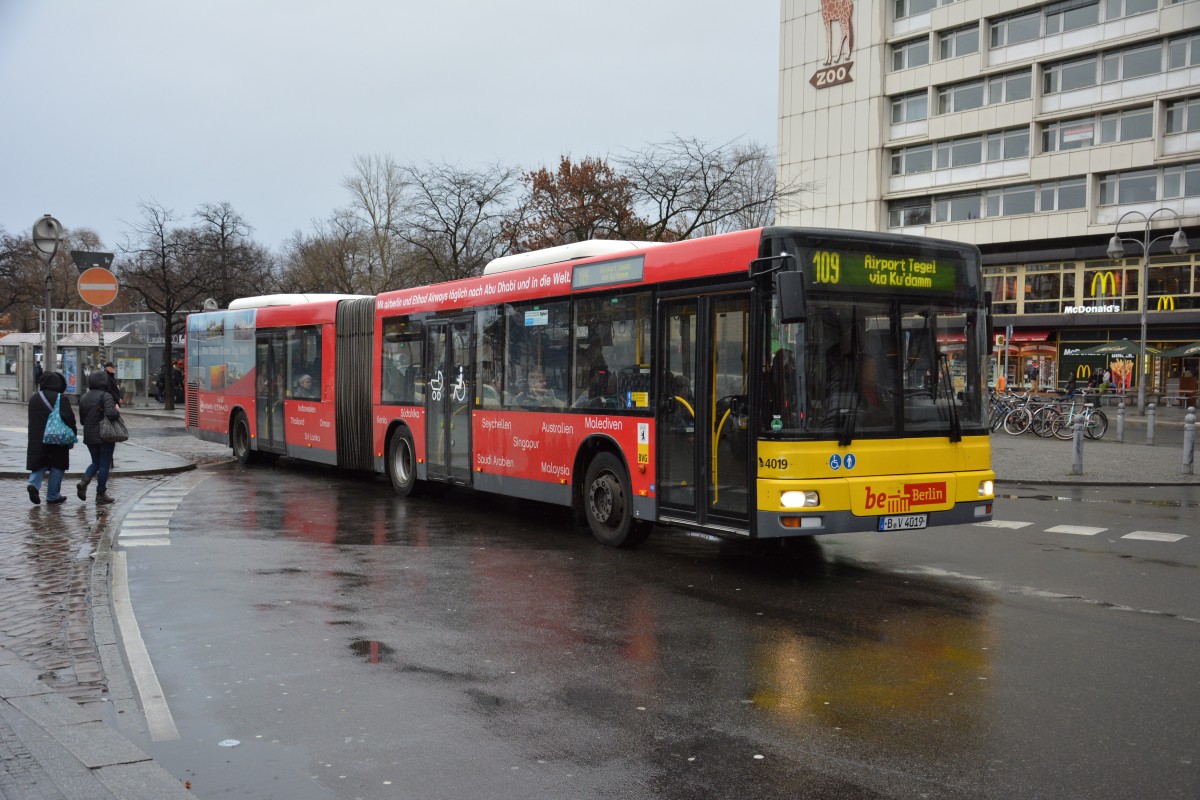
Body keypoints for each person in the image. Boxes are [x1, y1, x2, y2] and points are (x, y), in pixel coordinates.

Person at [26, 371, 77, 505]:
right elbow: (69, 418)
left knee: (40, 462)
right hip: (57, 438)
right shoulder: (61, 398)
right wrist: (73, 435)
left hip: (38, 437)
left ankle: (33, 484)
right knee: (58, 465)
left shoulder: (34, 398)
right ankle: (53, 495)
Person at [77, 369, 121, 504]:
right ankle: (101, 493)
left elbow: (82, 420)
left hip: (89, 435)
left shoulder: (84, 397)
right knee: (104, 464)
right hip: (105, 435)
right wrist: (116, 410)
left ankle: (84, 481)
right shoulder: (106, 396)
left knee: (95, 462)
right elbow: (111, 415)